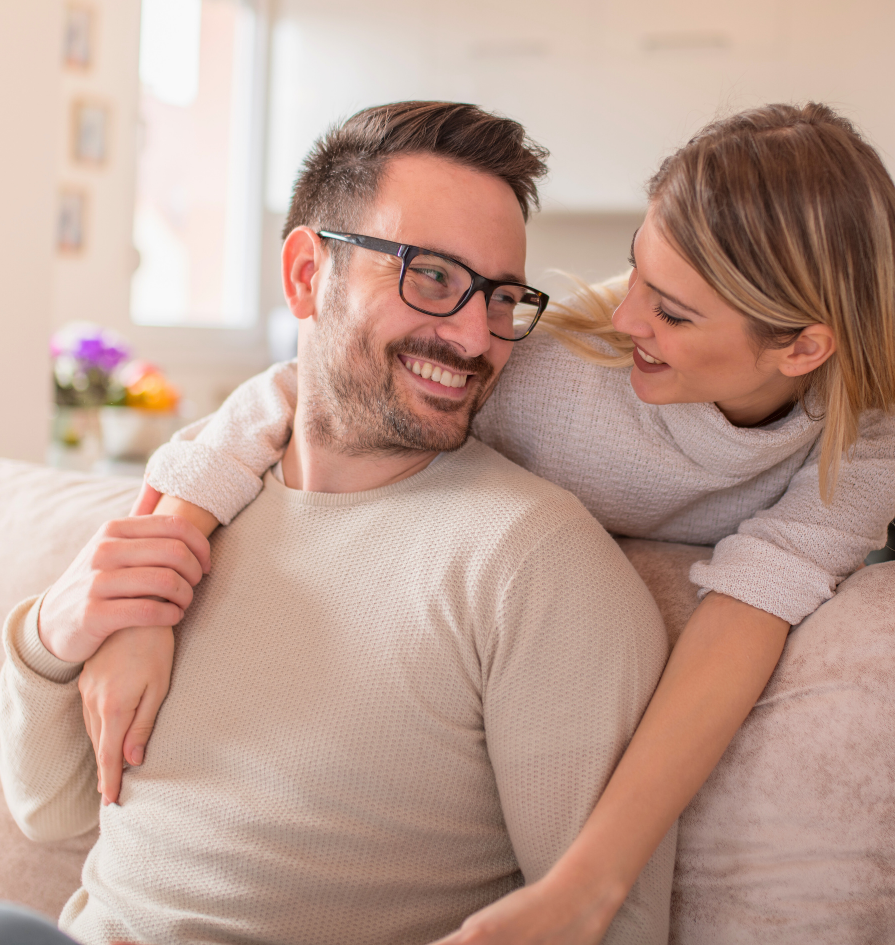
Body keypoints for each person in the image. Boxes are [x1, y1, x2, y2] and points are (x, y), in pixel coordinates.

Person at [77, 101, 895, 944]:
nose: (624, 317)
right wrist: (151, 593)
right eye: (634, 272)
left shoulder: (864, 439)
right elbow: (309, 386)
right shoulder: (561, 365)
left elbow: (746, 613)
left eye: (672, 313)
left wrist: (586, 884)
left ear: (802, 348)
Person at [0, 102, 675, 945]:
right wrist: (54, 638)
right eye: (429, 276)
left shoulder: (530, 562)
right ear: (308, 274)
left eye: (500, 298)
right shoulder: (201, 492)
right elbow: (47, 811)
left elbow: (610, 923)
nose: (472, 335)